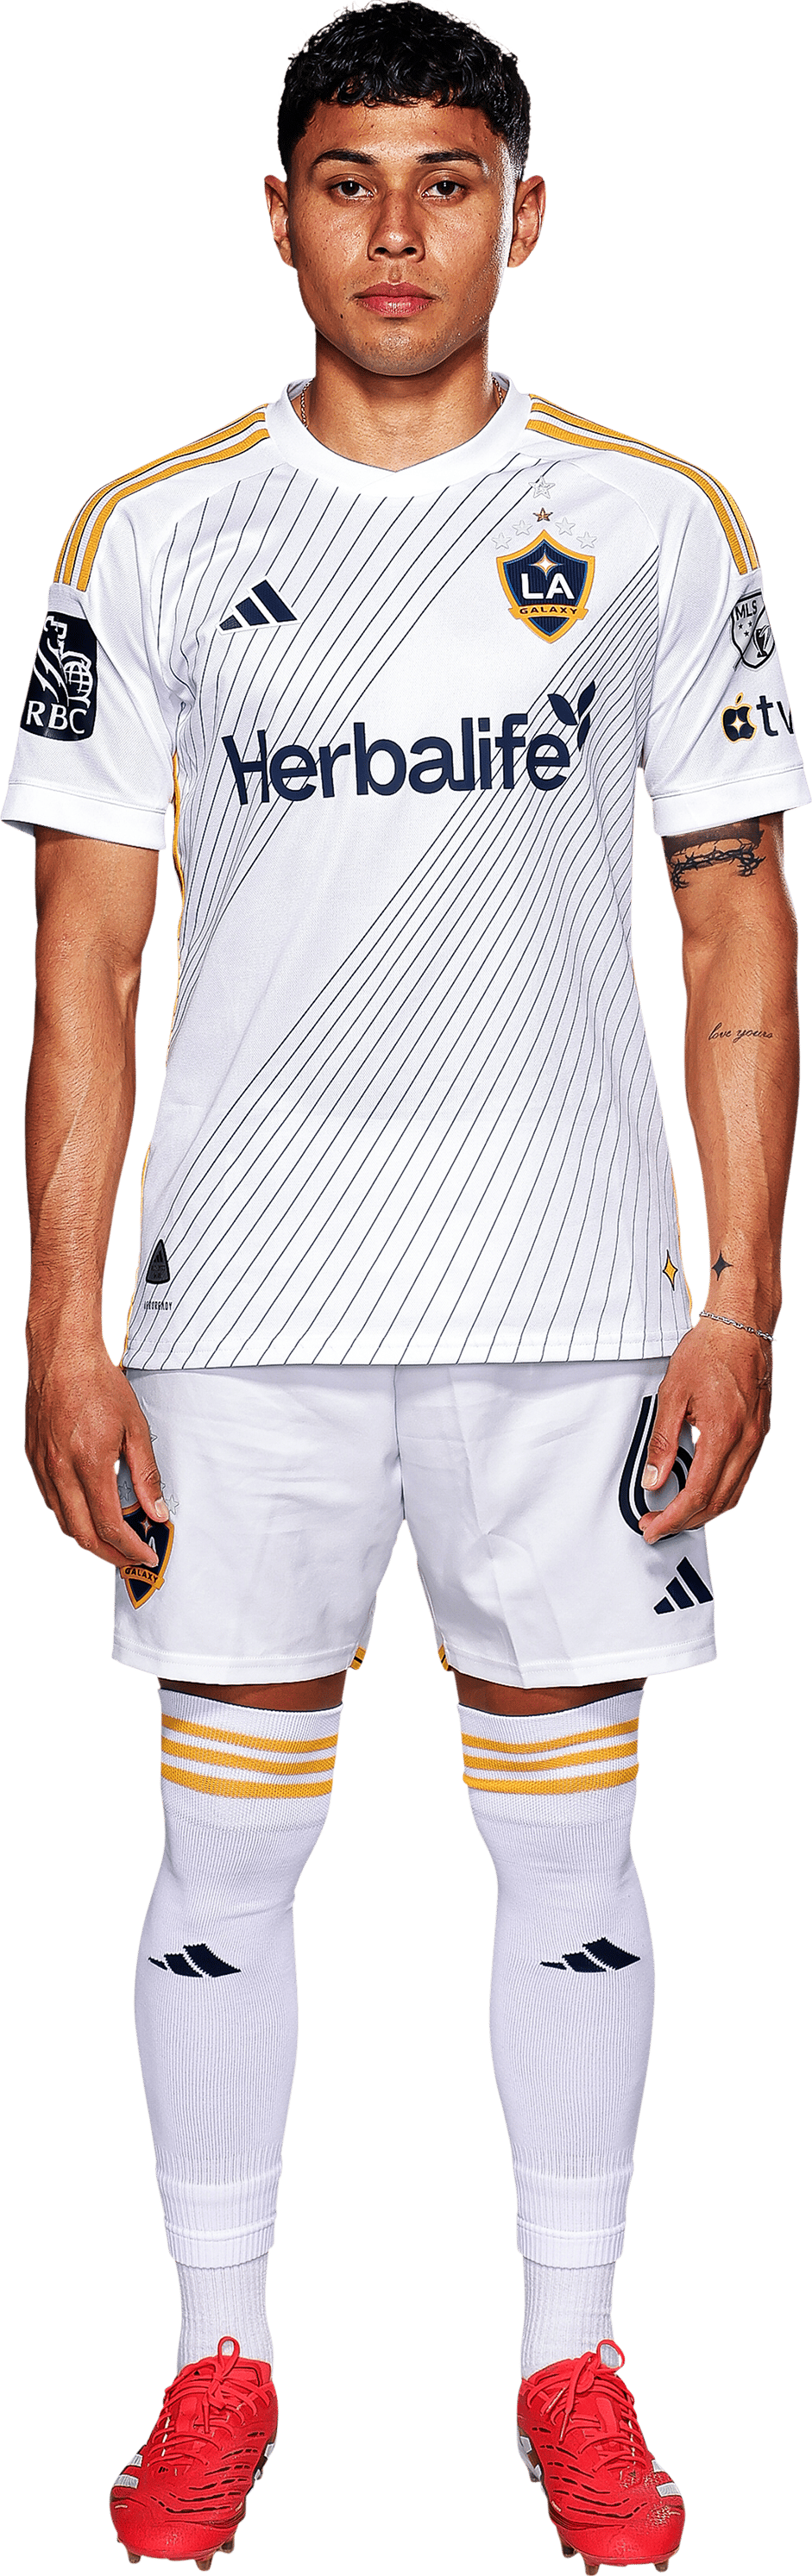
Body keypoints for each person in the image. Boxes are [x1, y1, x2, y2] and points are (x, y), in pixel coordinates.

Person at [5, 3, 805, 2567]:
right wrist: (61, 1321)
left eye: (445, 180)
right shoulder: (144, 538)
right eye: (345, 180)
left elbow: (735, 918)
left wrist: (738, 1300)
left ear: (522, 215)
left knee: (570, 1857)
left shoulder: (655, 523)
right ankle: (214, 2360)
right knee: (222, 1857)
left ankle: (570, 2359)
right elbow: (87, 950)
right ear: (277, 218)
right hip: (241, 1300)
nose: (394, 229)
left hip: (570, 1292)